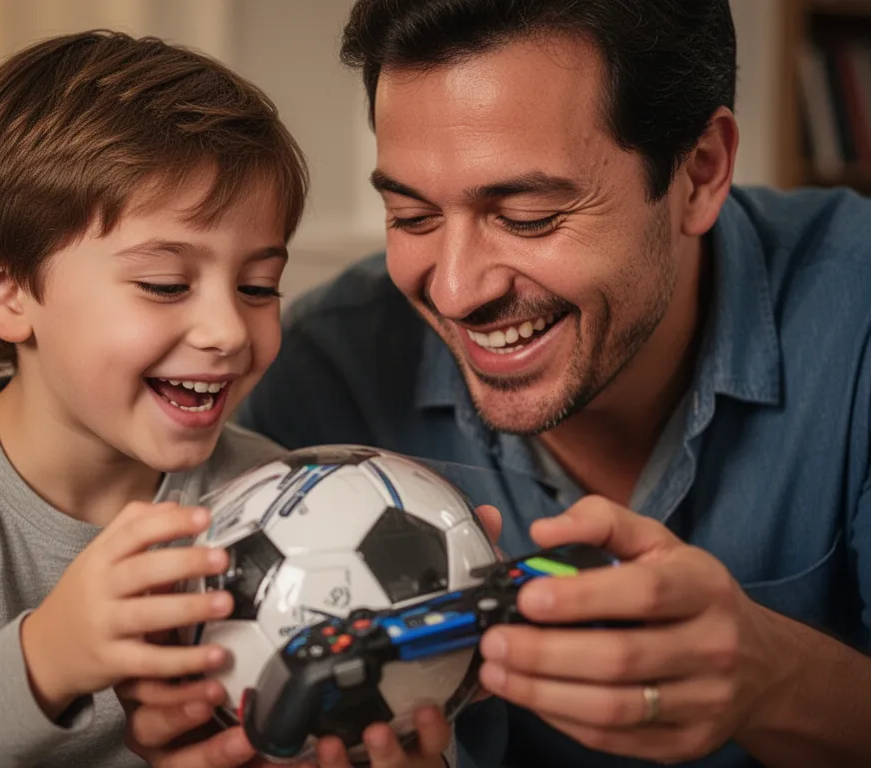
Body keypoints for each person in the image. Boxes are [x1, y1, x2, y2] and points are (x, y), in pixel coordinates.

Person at [230, 1, 871, 766]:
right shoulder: (327, 374)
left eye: (528, 215)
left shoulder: (856, 316)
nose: (459, 291)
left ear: (699, 172)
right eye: (411, 214)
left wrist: (777, 679)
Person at [0, 30, 314, 767]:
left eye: (259, 286)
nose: (229, 330)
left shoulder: (281, 506)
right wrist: (47, 659)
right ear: (3, 290)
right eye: (165, 283)